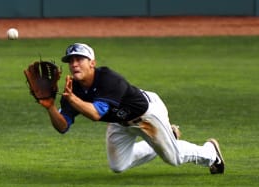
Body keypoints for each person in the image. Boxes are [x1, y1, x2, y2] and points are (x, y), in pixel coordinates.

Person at [39, 42, 225, 174]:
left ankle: (210, 152)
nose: (74, 64)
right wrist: (50, 107)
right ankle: (170, 137)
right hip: (119, 121)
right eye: (70, 61)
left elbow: (96, 114)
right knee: (118, 166)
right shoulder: (73, 89)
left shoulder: (107, 79)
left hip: (147, 114)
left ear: (92, 63)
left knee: (173, 158)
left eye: (79, 59)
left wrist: (71, 99)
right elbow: (62, 127)